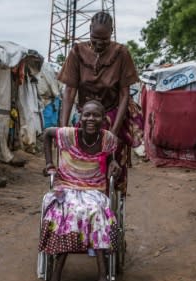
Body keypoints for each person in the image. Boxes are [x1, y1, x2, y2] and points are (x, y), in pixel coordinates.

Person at [39, 100, 121, 281]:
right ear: (80, 116)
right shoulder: (68, 134)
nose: (90, 119)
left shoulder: (108, 139)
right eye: (86, 115)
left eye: (96, 116)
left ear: (104, 119)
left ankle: (103, 280)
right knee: (68, 212)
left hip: (93, 189)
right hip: (65, 186)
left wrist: (114, 164)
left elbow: (110, 158)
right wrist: (49, 163)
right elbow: (47, 133)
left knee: (96, 212)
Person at [58, 11, 143, 193]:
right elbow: (70, 91)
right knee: (82, 159)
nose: (99, 44)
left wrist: (112, 134)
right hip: (86, 114)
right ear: (89, 30)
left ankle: (112, 203)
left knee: (112, 162)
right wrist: (63, 129)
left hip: (111, 114)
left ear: (112, 32)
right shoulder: (77, 52)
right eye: (95, 38)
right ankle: (83, 197)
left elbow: (123, 95)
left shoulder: (121, 53)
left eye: (104, 40)